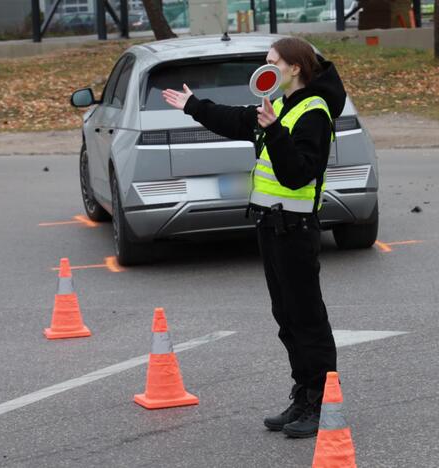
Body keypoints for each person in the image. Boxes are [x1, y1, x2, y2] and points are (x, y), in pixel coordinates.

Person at [162, 36, 346, 438]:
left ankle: (322, 400)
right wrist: (194, 106)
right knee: (286, 318)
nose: (266, 67)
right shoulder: (278, 106)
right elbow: (235, 119)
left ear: (294, 67)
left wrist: (275, 132)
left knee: (307, 318)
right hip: (270, 226)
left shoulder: (313, 112)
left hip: (296, 230)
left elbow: (298, 173)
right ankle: (303, 394)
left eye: (271, 61)